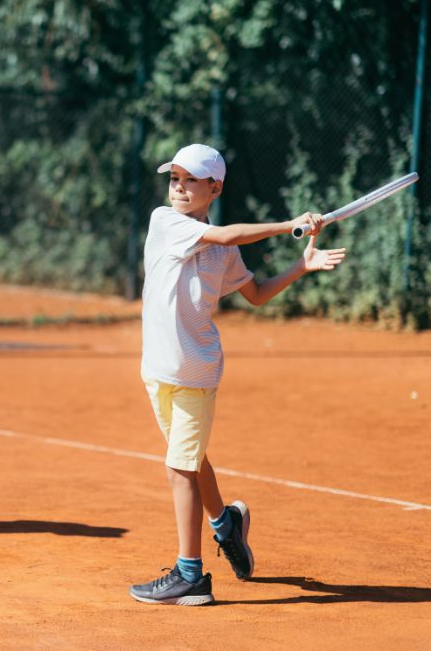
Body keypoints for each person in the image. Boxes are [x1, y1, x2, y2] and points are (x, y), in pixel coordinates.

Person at [128, 144, 346, 604]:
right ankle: (226, 524)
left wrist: (299, 266)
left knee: (180, 467)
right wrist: (289, 225)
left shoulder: (222, 250)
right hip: (158, 370)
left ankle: (191, 576)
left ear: (215, 187)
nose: (180, 187)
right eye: (175, 179)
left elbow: (257, 294)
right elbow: (227, 236)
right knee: (191, 458)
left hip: (196, 373)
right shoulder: (164, 222)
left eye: (191, 180)